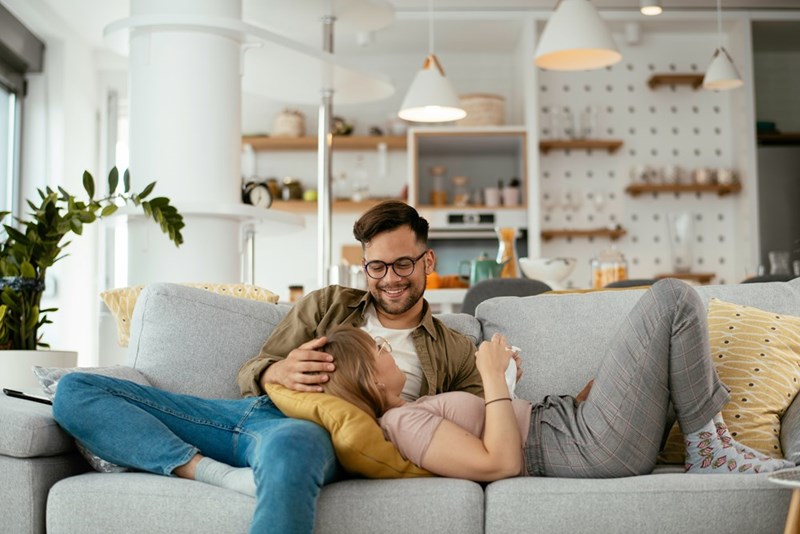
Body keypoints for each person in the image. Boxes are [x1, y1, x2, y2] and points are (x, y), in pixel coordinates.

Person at [53, 200, 489, 534]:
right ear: (365, 266)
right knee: (76, 389)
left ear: (427, 262)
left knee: (292, 448)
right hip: (252, 416)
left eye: (403, 264)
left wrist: (498, 380)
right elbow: (253, 370)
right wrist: (273, 373)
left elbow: (472, 423)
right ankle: (211, 473)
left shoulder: (453, 349)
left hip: (318, 434)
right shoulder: (328, 304)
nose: (390, 278)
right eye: (377, 266)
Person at [318, 279, 796, 480]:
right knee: (671, 298)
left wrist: (506, 380)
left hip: (575, 425)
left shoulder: (413, 412)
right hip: (583, 447)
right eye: (377, 349)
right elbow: (500, 464)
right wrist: (495, 382)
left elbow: (505, 427)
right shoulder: (404, 427)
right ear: (365, 377)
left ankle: (710, 444)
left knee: (666, 331)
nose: (386, 347)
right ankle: (711, 449)